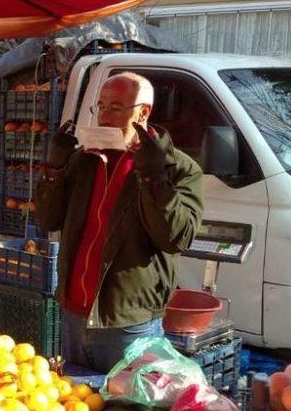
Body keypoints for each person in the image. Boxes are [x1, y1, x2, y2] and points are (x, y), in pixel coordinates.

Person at [35, 72, 203, 374]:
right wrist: (53, 170)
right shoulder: (84, 160)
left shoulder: (177, 168)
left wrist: (154, 178)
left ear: (143, 112)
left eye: (115, 107)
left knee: (125, 403)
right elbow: (48, 219)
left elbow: (176, 238)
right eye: (100, 107)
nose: (104, 116)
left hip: (128, 323)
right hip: (73, 313)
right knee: (75, 398)